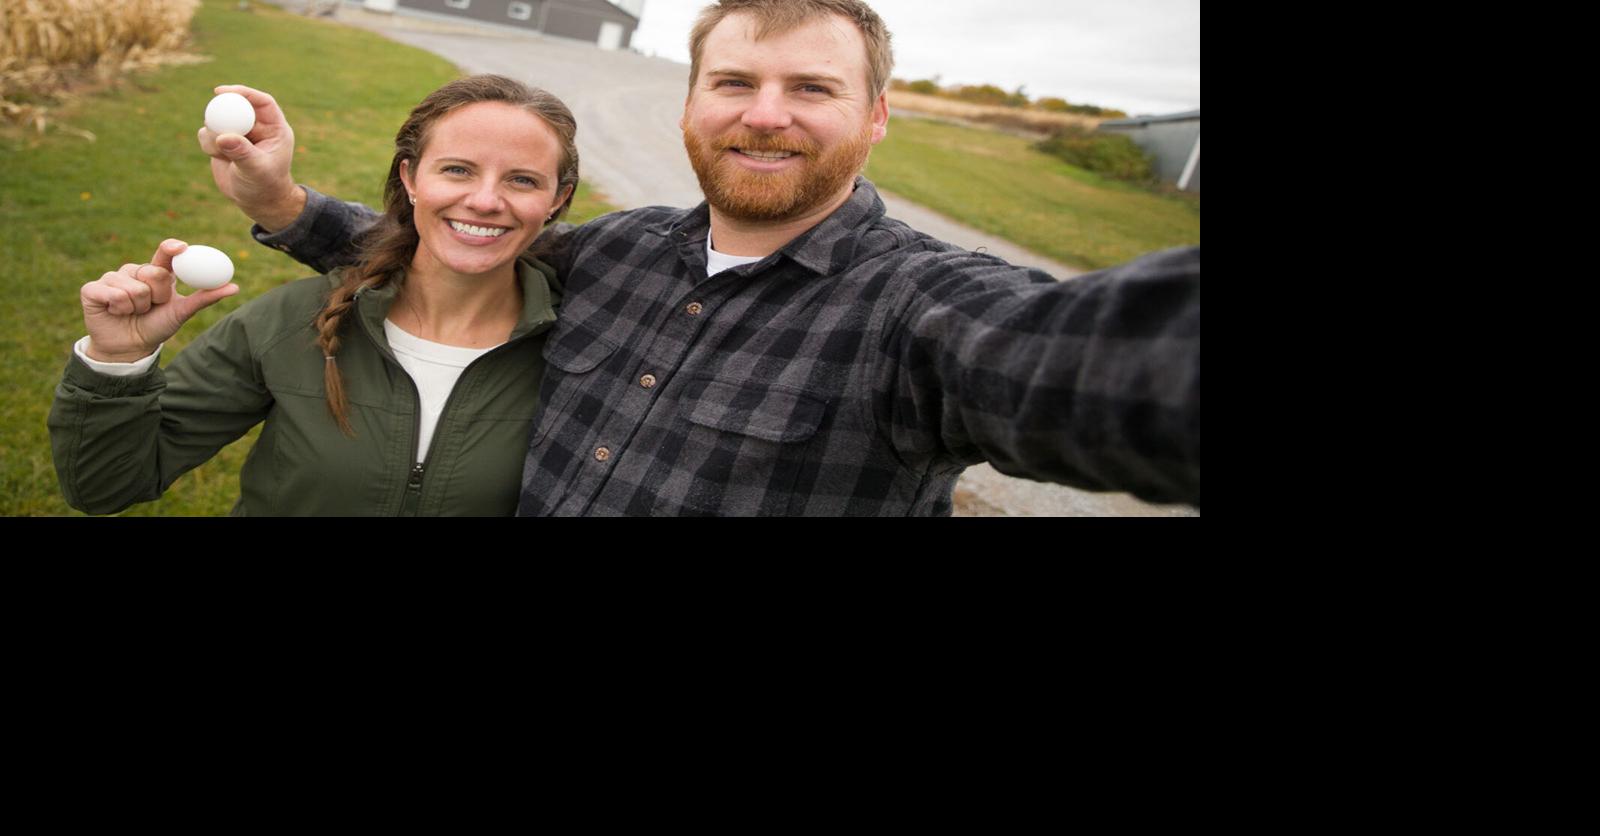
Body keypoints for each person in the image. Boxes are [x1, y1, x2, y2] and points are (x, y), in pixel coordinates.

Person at [205, 0, 1201, 516]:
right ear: (690, 104)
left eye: (810, 88)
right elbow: (451, 248)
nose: (764, 114)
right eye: (734, 80)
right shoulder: (620, 250)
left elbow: (1080, 360)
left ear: (878, 115)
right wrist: (283, 204)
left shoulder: (917, 307)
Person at [49, 74, 580, 515]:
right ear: (411, 177)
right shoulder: (291, 320)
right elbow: (105, 485)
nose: (484, 201)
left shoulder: (585, 352)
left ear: (558, 199)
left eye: (522, 181)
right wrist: (116, 362)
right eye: (457, 170)